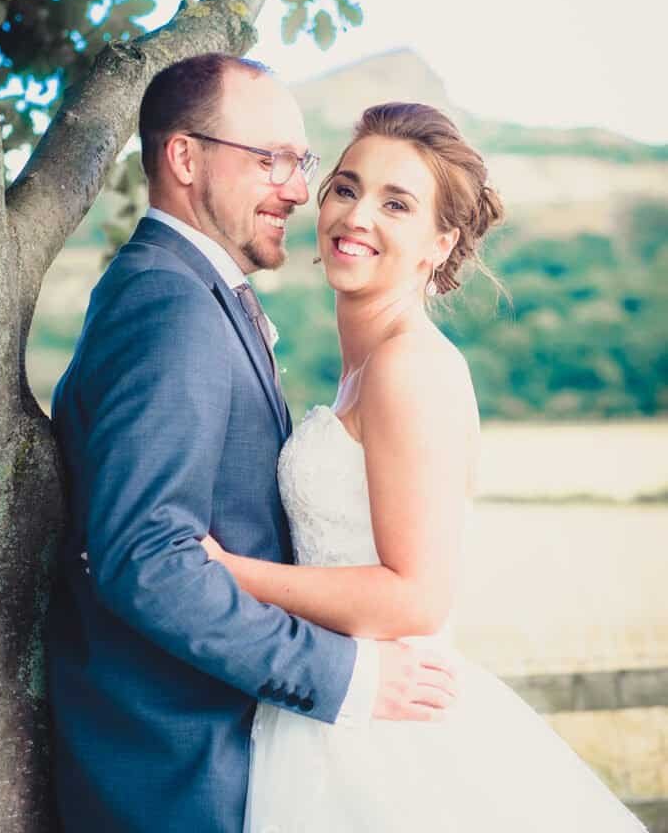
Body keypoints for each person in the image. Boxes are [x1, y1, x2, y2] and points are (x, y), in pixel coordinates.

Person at [201, 102, 648, 832]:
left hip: (387, 732)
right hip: (326, 712)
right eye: (346, 188)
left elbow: (415, 599)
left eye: (396, 203)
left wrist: (224, 571)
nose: (356, 215)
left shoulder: (409, 367)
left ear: (438, 244)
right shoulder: (363, 366)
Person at [45, 57, 458, 833]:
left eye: (301, 164)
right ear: (185, 157)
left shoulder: (194, 291)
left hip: (241, 748)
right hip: (177, 765)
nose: (298, 190)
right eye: (270, 160)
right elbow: (148, 561)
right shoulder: (171, 306)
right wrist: (344, 676)